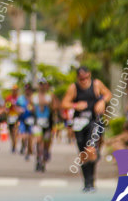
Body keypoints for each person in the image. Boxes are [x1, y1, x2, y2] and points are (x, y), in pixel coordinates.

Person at [61, 65, 112, 193]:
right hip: (79, 123)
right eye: (81, 78)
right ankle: (87, 182)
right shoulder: (73, 88)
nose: (84, 80)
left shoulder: (96, 84)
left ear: (89, 75)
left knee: (90, 150)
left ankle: (92, 181)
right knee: (83, 154)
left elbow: (108, 94)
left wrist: (102, 102)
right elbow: (64, 103)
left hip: (94, 122)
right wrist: (75, 105)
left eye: (86, 77)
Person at [32, 78, 57, 172]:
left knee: (46, 143)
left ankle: (45, 156)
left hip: (48, 123)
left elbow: (55, 107)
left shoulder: (50, 96)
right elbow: (29, 106)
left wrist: (49, 105)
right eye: (40, 84)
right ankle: (39, 160)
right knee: (38, 141)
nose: (42, 86)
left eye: (43, 84)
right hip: (37, 122)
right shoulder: (34, 96)